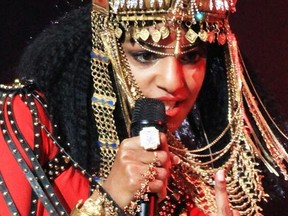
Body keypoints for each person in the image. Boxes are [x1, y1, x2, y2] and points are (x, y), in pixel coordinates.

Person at [0, 0, 288, 215]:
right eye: (145, 54)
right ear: (104, 50)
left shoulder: (188, 179)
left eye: (191, 58)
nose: (173, 82)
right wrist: (108, 202)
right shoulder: (26, 117)